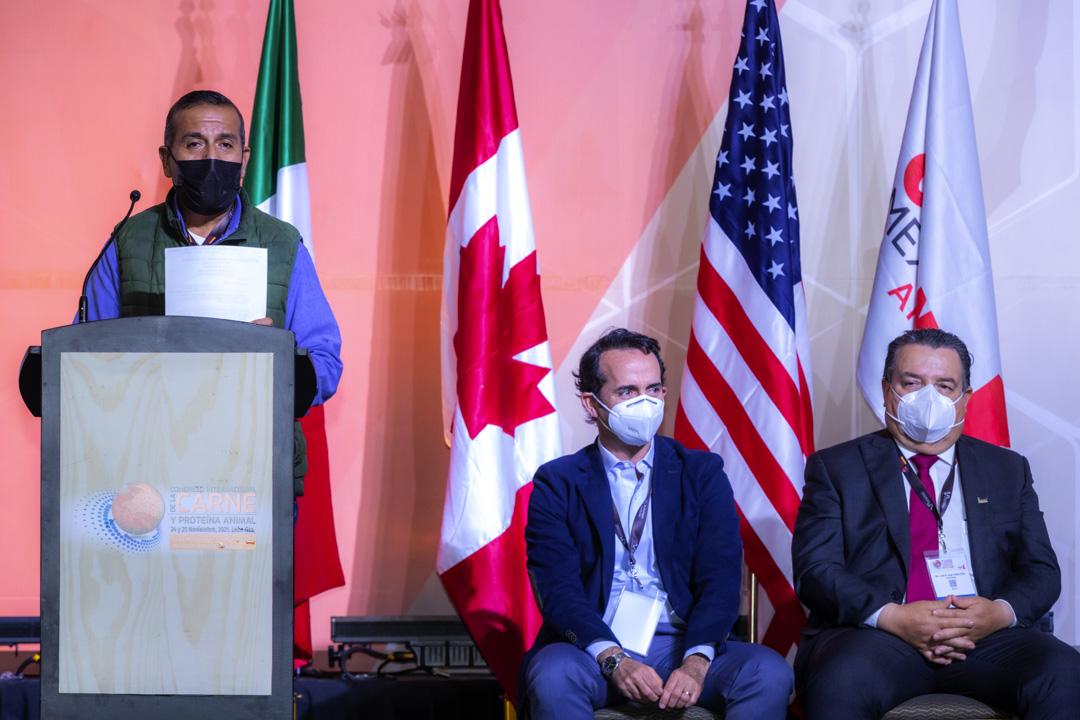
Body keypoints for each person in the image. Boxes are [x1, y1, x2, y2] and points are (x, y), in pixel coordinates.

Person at [792, 328, 1080, 719]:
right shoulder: (836, 467)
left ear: (965, 398)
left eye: (945, 386)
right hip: (876, 635)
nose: (929, 397)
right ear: (887, 389)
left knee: (1063, 668)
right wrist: (892, 616)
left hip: (983, 636)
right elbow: (815, 571)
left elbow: (1042, 570)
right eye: (912, 383)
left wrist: (997, 614)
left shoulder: (1007, 469)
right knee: (840, 679)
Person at [78, 90, 342, 496]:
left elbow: (325, 363)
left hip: (255, 470)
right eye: (194, 144)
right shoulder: (126, 240)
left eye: (225, 144)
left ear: (244, 159)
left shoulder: (284, 244)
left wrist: (276, 355)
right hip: (147, 470)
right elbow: (84, 358)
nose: (212, 158)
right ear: (167, 159)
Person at [520, 328, 793, 720]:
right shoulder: (557, 482)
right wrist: (614, 659)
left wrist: (696, 662)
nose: (644, 402)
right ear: (592, 403)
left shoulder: (701, 473)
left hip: (682, 643)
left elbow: (720, 578)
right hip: (594, 649)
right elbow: (557, 589)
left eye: (653, 389)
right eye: (627, 391)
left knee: (768, 672)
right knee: (552, 675)